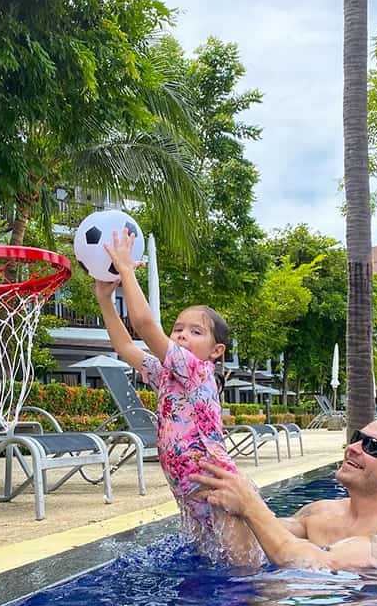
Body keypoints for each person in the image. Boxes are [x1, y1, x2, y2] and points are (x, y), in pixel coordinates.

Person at [94, 227, 261, 566]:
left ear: (216, 351)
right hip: (188, 492)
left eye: (195, 331)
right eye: (178, 329)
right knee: (210, 566)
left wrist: (126, 270)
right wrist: (104, 300)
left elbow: (143, 326)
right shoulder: (167, 373)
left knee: (246, 573)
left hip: (217, 491)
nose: (183, 335)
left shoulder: (197, 371)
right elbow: (125, 346)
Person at [192, 410, 377, 574]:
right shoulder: (321, 511)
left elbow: (322, 566)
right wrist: (218, 493)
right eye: (357, 437)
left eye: (371, 446)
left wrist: (251, 505)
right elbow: (252, 549)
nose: (352, 448)